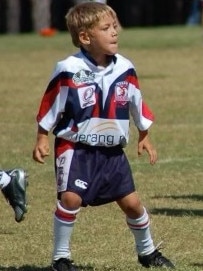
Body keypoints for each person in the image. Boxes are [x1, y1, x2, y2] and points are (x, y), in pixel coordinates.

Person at [32, 2, 175, 271]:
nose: (115, 32)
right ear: (85, 38)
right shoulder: (68, 68)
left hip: (112, 152)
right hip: (76, 148)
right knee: (71, 199)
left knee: (132, 204)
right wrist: (42, 136)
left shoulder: (125, 68)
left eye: (115, 27)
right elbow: (52, 103)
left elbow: (136, 102)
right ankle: (60, 259)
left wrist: (145, 134)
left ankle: (148, 252)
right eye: (106, 28)